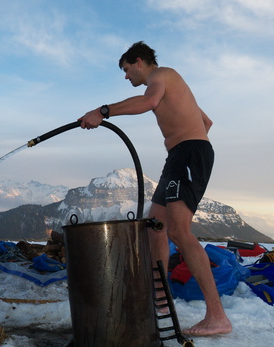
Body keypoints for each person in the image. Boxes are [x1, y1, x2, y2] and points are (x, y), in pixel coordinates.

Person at [78, 41, 231, 336]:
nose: (126, 77)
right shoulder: (172, 82)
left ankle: (217, 316)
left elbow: (149, 103)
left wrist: (103, 110)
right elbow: (206, 121)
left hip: (187, 154)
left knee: (178, 231)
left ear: (138, 61)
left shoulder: (161, 76)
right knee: (155, 226)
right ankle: (161, 300)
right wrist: (186, 138)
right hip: (181, 156)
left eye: (126, 70)